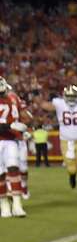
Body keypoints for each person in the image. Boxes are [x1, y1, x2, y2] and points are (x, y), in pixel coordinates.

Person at [48, 84, 77, 201]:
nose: (71, 99)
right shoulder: (59, 103)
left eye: (73, 96)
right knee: (71, 169)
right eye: (69, 96)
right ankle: (72, 176)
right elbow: (45, 106)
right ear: (64, 96)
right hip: (66, 142)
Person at [0, 75, 28, 218]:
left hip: (11, 140)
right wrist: (9, 125)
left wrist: (24, 128)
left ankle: (17, 204)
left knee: (13, 168)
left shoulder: (13, 98)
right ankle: (4, 204)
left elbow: (23, 117)